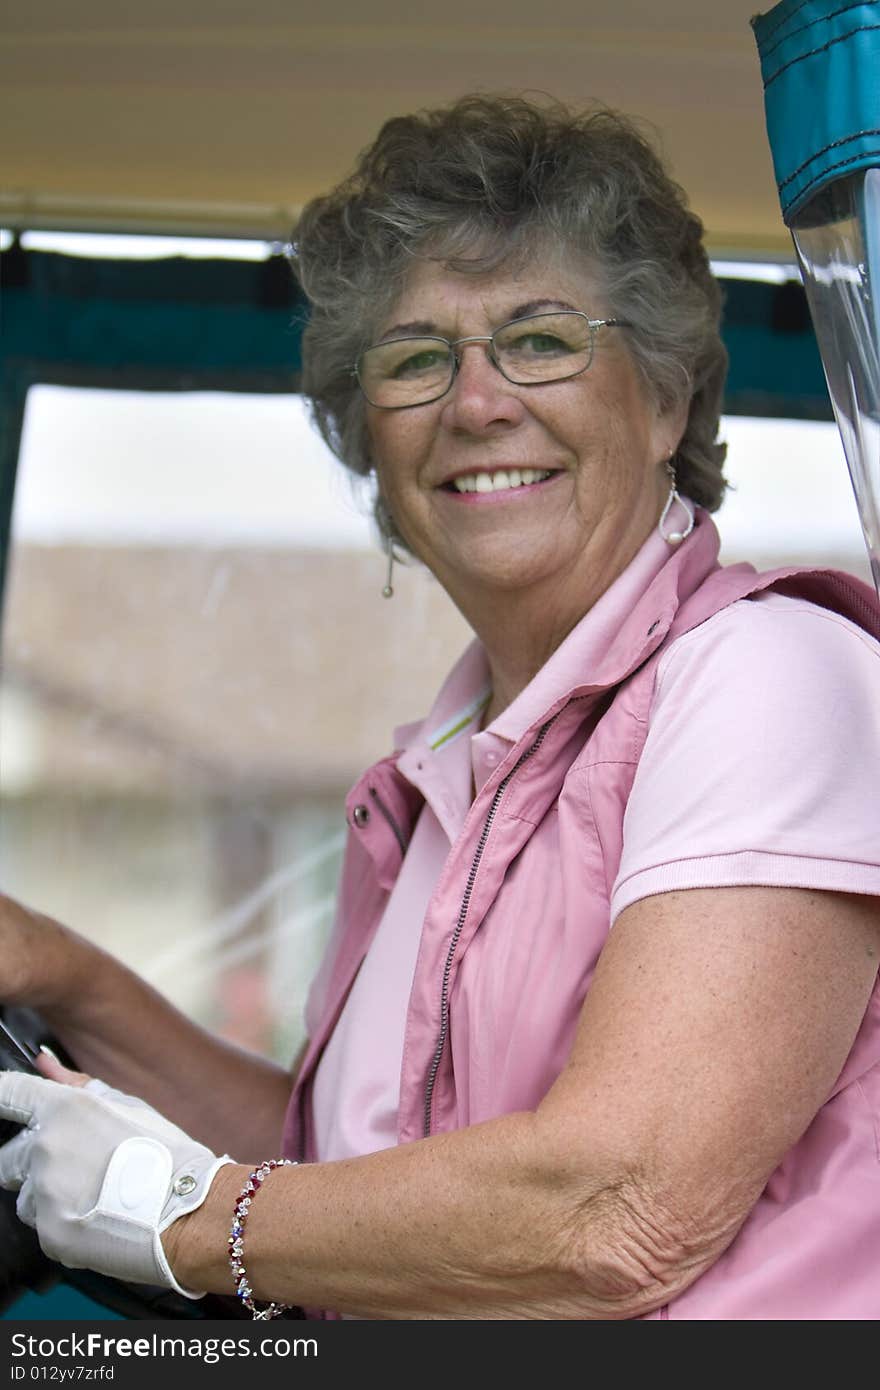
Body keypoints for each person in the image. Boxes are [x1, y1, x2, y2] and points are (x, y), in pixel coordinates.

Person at [1, 94, 880, 1322]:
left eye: (540, 339)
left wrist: (188, 1222)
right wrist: (65, 975)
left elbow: (618, 1213)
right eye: (417, 358)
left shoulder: (766, 673)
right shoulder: (440, 765)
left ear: (668, 398)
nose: (476, 403)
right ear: (371, 437)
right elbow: (344, 1186)